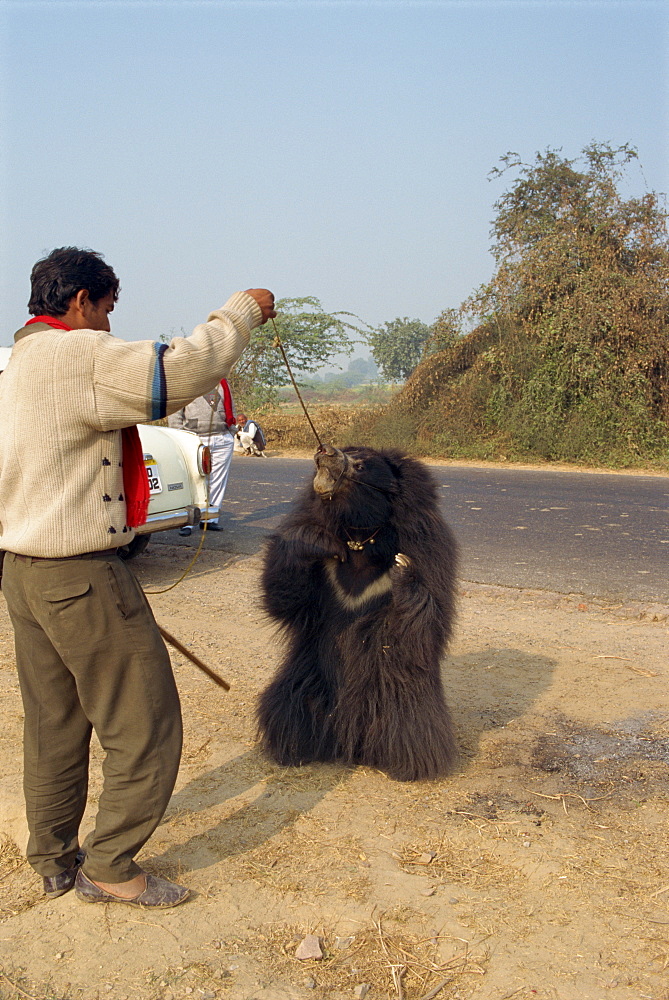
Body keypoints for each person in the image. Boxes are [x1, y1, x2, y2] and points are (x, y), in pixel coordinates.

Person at [0, 247, 275, 908]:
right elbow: (181, 370)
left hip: (25, 572)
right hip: (80, 576)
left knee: (55, 723)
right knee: (146, 722)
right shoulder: (76, 355)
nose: (107, 327)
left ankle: (54, 859)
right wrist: (242, 311)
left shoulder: (16, 365)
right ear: (79, 303)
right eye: (105, 312)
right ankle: (112, 866)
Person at [168, 378, 237, 535]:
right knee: (194, 479)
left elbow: (231, 407)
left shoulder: (222, 382)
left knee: (218, 480)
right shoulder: (185, 382)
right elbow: (175, 413)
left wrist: (231, 432)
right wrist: (180, 435)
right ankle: (188, 521)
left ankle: (210, 519)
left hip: (222, 436)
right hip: (195, 436)